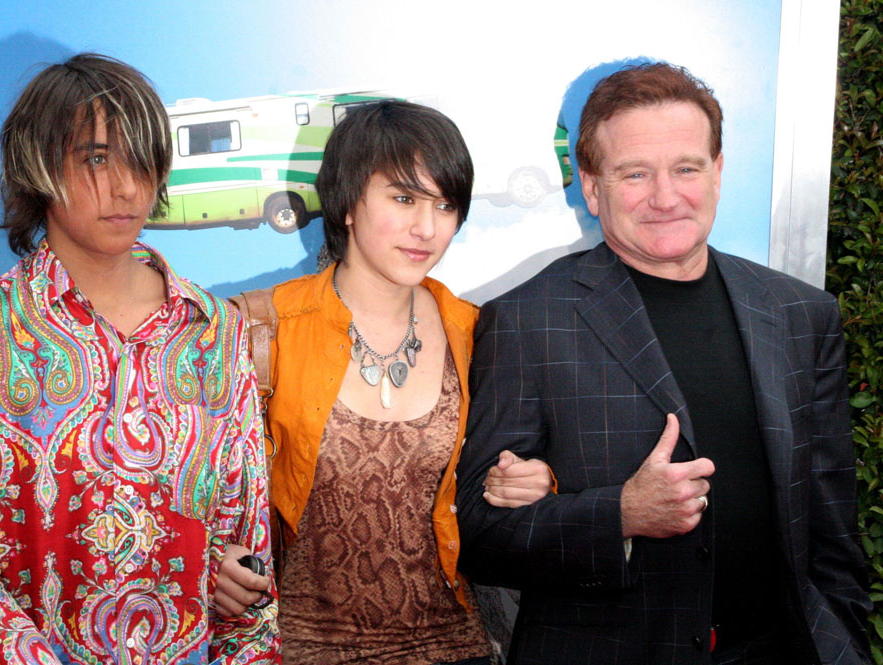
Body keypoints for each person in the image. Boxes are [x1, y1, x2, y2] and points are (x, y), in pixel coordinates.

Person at [455, 62, 872, 665]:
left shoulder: (800, 313)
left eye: (686, 169)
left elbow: (832, 528)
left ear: (718, 173)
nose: (666, 196)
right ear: (591, 188)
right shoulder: (524, 321)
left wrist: (843, 645)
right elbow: (479, 537)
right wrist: (620, 514)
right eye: (635, 173)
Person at [0, 53, 278, 664]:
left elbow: (247, 544)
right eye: (97, 159)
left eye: (142, 160)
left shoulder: (215, 334)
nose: (126, 187)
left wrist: (215, 571)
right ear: (38, 165)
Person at [218, 100, 554, 664]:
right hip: (300, 649)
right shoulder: (256, 328)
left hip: (458, 648)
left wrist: (539, 481)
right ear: (348, 201)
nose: (427, 228)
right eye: (403, 199)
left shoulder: (479, 334)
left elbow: (514, 483)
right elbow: (182, 487)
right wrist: (211, 557)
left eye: (445, 205)